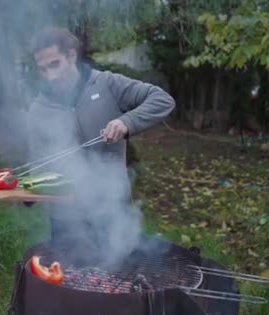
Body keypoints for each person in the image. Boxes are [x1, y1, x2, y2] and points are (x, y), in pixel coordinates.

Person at [23, 27, 175, 248]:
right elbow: (40, 161)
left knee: (119, 275)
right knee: (68, 277)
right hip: (65, 217)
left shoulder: (107, 84)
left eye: (54, 64)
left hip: (112, 207)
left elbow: (162, 99)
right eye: (43, 69)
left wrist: (126, 122)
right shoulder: (38, 109)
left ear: (71, 56)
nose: (50, 76)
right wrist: (29, 194)